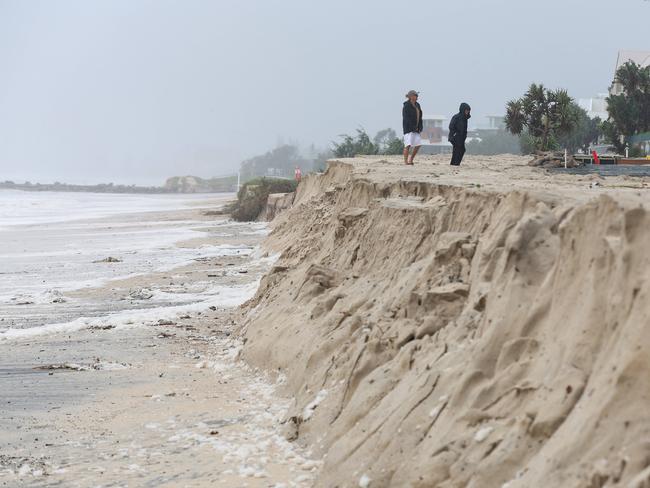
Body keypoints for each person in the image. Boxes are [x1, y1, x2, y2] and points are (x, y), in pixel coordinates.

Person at [402, 90, 423, 165]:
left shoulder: (417, 105)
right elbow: (406, 118)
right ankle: (405, 161)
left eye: (417, 95)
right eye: (415, 95)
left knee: (418, 144)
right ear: (411, 96)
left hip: (416, 128)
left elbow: (420, 117)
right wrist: (412, 127)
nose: (417, 97)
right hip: (408, 129)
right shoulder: (406, 105)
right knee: (408, 145)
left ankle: (411, 159)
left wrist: (419, 126)